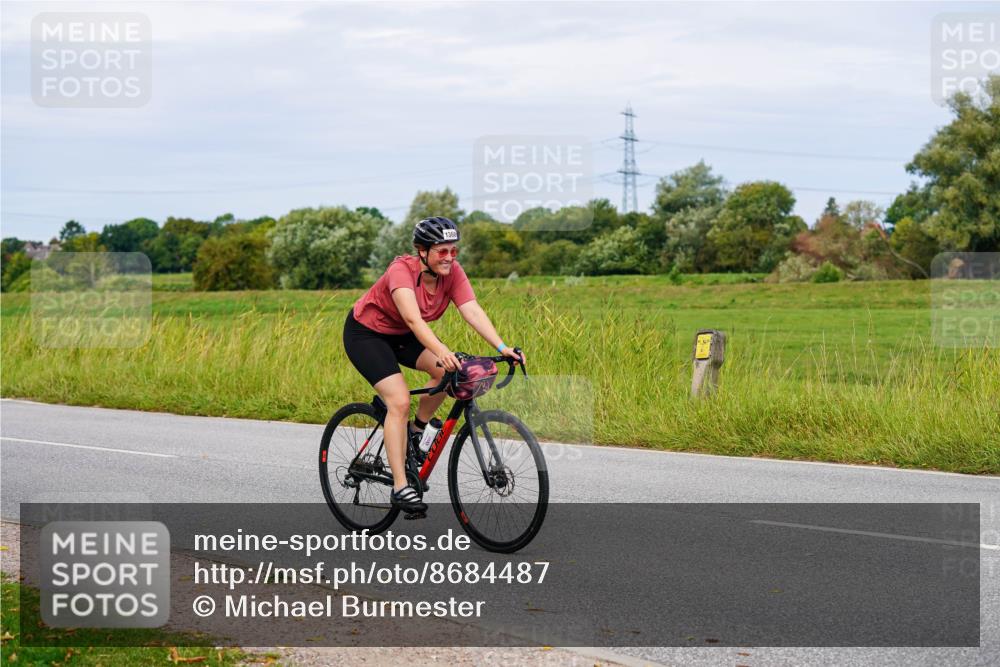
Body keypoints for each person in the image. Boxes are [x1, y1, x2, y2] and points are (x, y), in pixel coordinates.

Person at [343, 216, 525, 515]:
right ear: (422, 251)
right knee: (399, 401)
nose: (450, 257)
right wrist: (442, 350)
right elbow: (414, 320)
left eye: (454, 250)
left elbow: (472, 311)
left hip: (402, 336)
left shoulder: (452, 273)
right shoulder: (401, 271)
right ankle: (401, 487)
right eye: (442, 251)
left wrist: (503, 348)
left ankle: (415, 431)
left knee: (449, 374)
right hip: (367, 334)